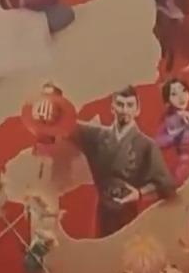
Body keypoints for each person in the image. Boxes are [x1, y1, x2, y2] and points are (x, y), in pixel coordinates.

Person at [72, 87, 178, 237]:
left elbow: (167, 185)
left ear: (137, 110)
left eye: (130, 105)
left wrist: (139, 193)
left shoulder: (146, 145)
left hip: (129, 214)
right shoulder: (97, 136)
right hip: (102, 212)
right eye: (120, 105)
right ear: (112, 108)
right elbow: (68, 125)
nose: (125, 110)